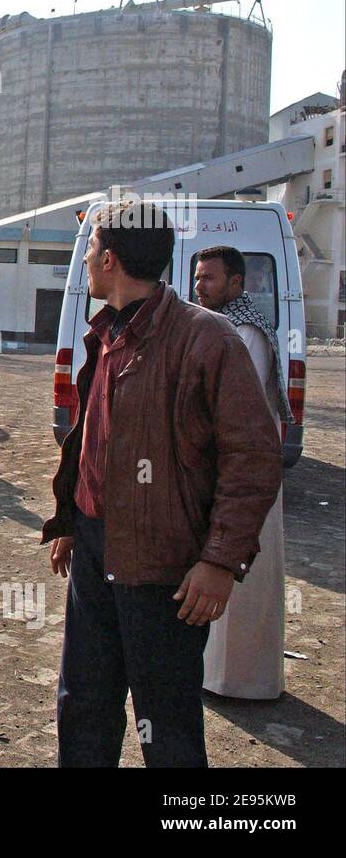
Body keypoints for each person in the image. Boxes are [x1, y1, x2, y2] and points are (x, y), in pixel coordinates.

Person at [43, 200, 281, 768]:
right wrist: (73, 522)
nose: (88, 262)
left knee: (167, 726)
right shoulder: (105, 334)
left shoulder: (206, 339)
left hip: (164, 568)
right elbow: (95, 439)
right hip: (95, 553)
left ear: (112, 259)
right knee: (83, 706)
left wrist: (220, 561)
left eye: (93, 249)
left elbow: (253, 459)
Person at [193, 245, 289, 700]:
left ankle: (240, 682)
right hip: (230, 468)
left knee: (240, 575)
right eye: (197, 277)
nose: (199, 286)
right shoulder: (225, 326)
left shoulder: (243, 332)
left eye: (209, 278)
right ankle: (218, 675)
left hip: (244, 473)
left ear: (236, 284)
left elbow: (230, 411)